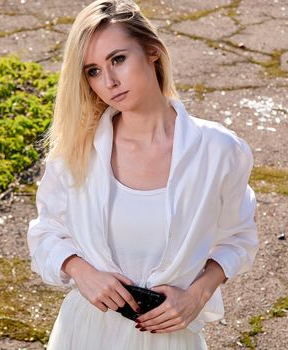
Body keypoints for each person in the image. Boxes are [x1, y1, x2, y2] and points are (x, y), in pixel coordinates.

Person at [26, 0, 258, 349]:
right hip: (86, 332)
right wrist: (79, 270)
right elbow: (46, 232)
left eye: (118, 59)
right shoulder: (77, 151)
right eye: (93, 71)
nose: (109, 81)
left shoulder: (219, 150)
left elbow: (238, 237)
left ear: (152, 51)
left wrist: (198, 294)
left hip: (170, 336)